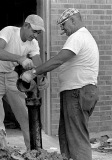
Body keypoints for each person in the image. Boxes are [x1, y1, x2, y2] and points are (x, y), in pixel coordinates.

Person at [21, 8, 99, 160]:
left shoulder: (78, 37)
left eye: (64, 25)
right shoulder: (83, 37)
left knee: (76, 138)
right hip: (78, 91)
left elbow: (59, 59)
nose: (63, 30)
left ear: (73, 20)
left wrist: (33, 73)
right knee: (66, 135)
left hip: (78, 91)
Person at [0, 14, 49, 149]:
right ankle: (1, 153)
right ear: (26, 25)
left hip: (10, 76)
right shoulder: (9, 31)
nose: (36, 35)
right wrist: (20, 59)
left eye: (38, 33)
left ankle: (34, 152)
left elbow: (38, 64)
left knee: (27, 117)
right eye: (34, 31)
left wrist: (43, 77)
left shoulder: (33, 43)